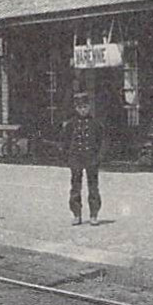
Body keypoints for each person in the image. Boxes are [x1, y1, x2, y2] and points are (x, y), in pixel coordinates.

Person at [61, 91, 106, 226]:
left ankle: (94, 214)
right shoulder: (71, 124)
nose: (82, 110)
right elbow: (65, 142)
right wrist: (68, 157)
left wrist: (99, 157)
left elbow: (102, 142)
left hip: (91, 158)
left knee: (93, 187)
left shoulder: (96, 124)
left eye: (85, 107)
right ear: (76, 108)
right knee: (75, 187)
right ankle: (76, 214)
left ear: (89, 107)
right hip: (76, 158)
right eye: (80, 107)